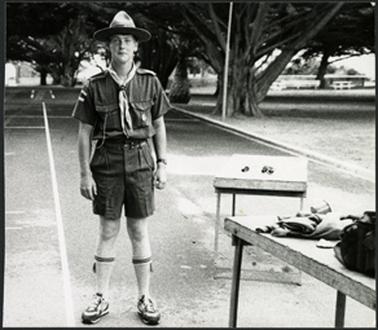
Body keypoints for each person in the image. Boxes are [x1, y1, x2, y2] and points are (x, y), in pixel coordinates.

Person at [72, 10, 171, 325]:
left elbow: (158, 124)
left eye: (127, 40)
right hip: (108, 163)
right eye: (116, 41)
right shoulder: (95, 85)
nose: (122, 46)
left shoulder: (149, 82)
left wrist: (163, 164)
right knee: (108, 229)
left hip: (142, 160)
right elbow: (84, 132)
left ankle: (145, 297)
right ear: (109, 47)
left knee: (139, 229)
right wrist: (85, 174)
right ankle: (101, 297)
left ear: (135, 46)